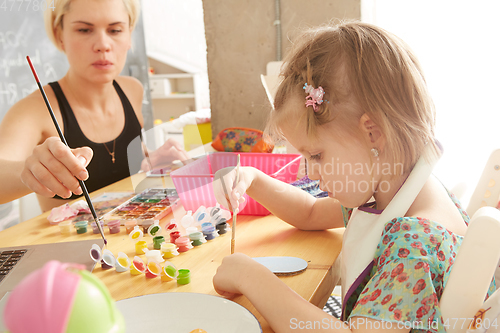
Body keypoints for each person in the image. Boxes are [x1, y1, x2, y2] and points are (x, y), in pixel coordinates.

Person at [212, 21, 496, 333]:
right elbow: (309, 213)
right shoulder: (394, 191)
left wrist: (251, 276)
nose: (308, 172)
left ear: (373, 134)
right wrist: (252, 179)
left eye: (316, 155)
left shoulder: (415, 244)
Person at [0, 0, 188, 212]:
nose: (103, 45)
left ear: (129, 35)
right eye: (84, 29)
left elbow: (116, 163)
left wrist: (150, 160)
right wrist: (30, 169)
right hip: (73, 243)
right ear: (60, 34)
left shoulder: (132, 90)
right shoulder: (34, 109)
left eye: (115, 30)